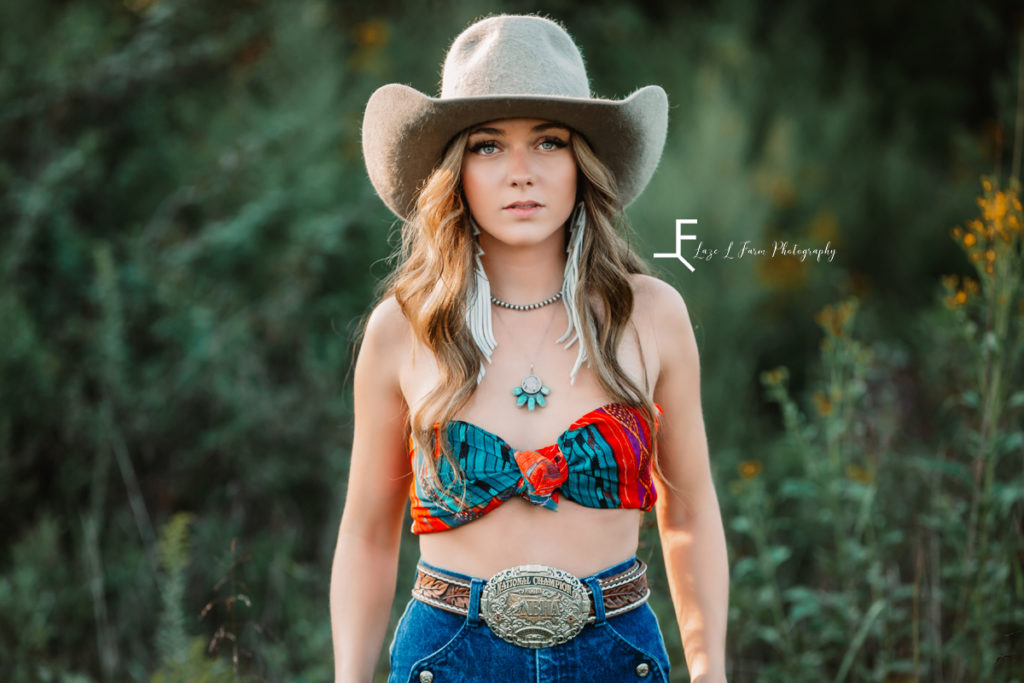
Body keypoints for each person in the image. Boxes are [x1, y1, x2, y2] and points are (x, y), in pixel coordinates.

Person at [330, 14, 729, 683]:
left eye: (548, 141)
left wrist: (710, 668)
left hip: (615, 652)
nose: (521, 173)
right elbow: (369, 532)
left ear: (583, 163)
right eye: (488, 146)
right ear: (453, 170)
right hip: (447, 656)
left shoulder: (652, 314)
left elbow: (687, 510)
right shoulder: (403, 327)